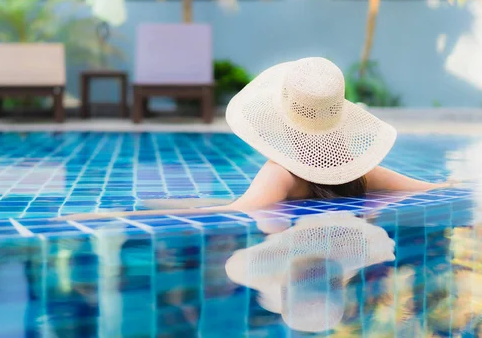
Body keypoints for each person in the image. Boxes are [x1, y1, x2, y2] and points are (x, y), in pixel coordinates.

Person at [62, 57, 452, 222]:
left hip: (265, 209)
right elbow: (434, 190)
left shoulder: (281, 175)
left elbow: (232, 214)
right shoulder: (364, 175)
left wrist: (120, 216)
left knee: (208, 204)